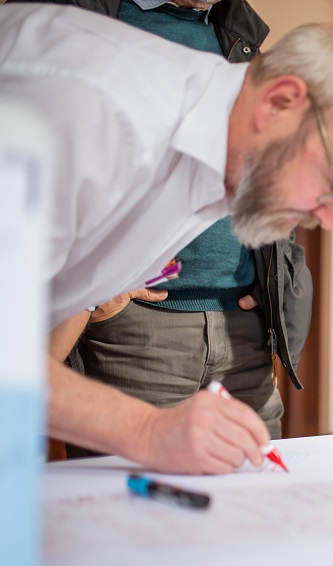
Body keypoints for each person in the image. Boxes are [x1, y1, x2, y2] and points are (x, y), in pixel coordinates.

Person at [0, 4, 333, 473]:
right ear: (278, 103)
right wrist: (145, 430)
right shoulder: (93, 112)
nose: (329, 221)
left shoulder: (216, 168)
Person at [16, 0, 313, 451]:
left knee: (251, 491)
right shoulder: (88, 34)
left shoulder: (240, 33)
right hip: (135, 328)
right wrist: (99, 292)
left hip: (243, 327)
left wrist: (276, 289)